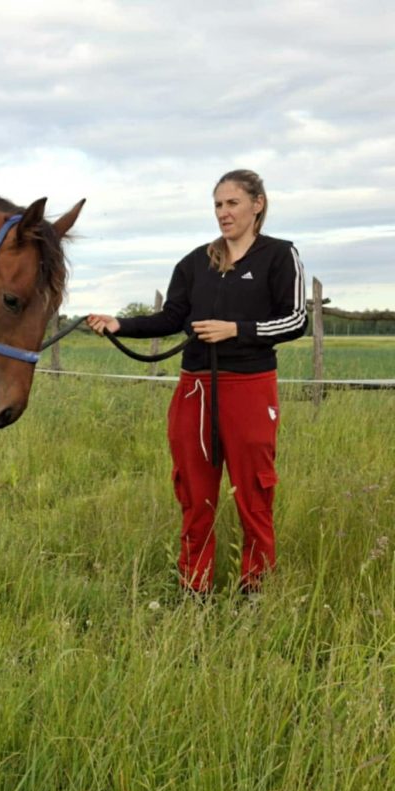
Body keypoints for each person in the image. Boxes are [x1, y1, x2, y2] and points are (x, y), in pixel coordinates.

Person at [87, 169, 306, 594]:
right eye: (218, 205)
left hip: (249, 386)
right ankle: (195, 587)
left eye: (232, 203)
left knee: (254, 493)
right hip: (194, 389)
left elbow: (295, 320)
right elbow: (171, 317)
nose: (224, 213)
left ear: (257, 204)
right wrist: (120, 324)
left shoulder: (280, 255)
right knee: (193, 491)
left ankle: (255, 588)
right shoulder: (194, 262)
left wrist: (236, 330)